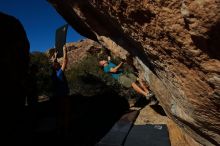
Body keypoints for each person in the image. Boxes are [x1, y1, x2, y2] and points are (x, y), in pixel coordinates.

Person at [51, 45, 70, 138]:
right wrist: (65, 51)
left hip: (56, 96)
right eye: (58, 64)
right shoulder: (59, 73)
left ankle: (58, 130)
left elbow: (54, 64)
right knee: (65, 114)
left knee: (58, 114)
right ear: (58, 66)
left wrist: (55, 56)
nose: (59, 63)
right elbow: (65, 61)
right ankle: (66, 131)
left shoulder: (53, 75)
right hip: (63, 97)